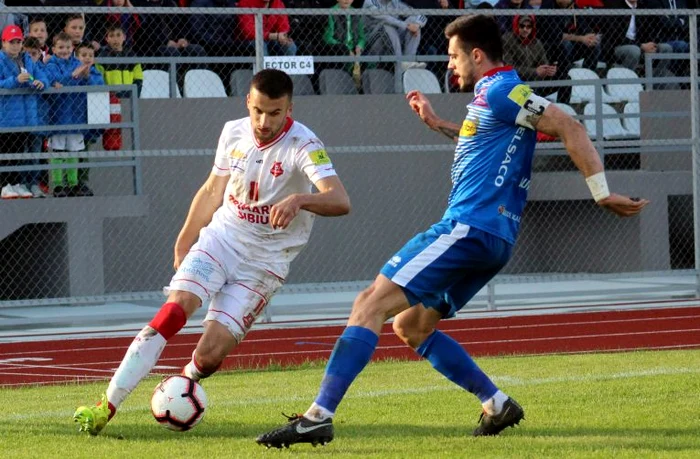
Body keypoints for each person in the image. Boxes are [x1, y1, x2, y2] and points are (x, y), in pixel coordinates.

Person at [255, 14, 649, 449]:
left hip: (468, 227)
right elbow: (479, 141)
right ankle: (497, 404)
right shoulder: (492, 99)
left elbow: (569, 125)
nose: (450, 65)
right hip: (492, 239)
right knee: (411, 327)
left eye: (454, 56)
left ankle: (317, 417)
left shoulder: (504, 91)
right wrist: (437, 122)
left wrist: (601, 193)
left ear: (476, 55)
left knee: (369, 303)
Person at [72, 68, 351, 436]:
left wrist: (300, 199)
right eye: (258, 111)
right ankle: (106, 405)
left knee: (209, 355)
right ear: (247, 103)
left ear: (289, 109)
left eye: (275, 113)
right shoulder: (232, 131)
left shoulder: (304, 145)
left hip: (265, 262)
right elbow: (211, 190)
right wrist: (185, 238)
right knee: (175, 308)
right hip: (222, 238)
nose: (264, 121)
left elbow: (340, 200)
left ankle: (185, 383)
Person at [45, 36, 104, 197]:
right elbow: (53, 82)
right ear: (54, 49)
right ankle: (57, 185)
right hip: (57, 117)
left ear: (72, 48)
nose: (64, 50)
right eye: (60, 47)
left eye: (67, 47)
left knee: (74, 150)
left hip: (77, 116)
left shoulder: (78, 64)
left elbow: (97, 84)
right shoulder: (51, 65)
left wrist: (84, 77)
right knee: (57, 150)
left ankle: (72, 183)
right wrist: (73, 76)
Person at [0, 24, 47, 200]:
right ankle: (4, 185)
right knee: (7, 152)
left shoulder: (27, 59)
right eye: (11, 42)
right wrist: (15, 80)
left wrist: (42, 83)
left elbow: (41, 74)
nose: (15, 45)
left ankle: (17, 184)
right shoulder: (1, 60)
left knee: (19, 152)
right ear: (3, 43)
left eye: (18, 41)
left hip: (27, 115)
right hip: (7, 117)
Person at [96, 23, 144, 97]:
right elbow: (99, 79)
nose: (115, 39)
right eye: (111, 36)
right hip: (110, 98)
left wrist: (133, 95)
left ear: (124, 37)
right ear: (107, 39)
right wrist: (110, 95)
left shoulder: (131, 55)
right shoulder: (102, 56)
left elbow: (138, 78)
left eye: (118, 35)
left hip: (130, 96)